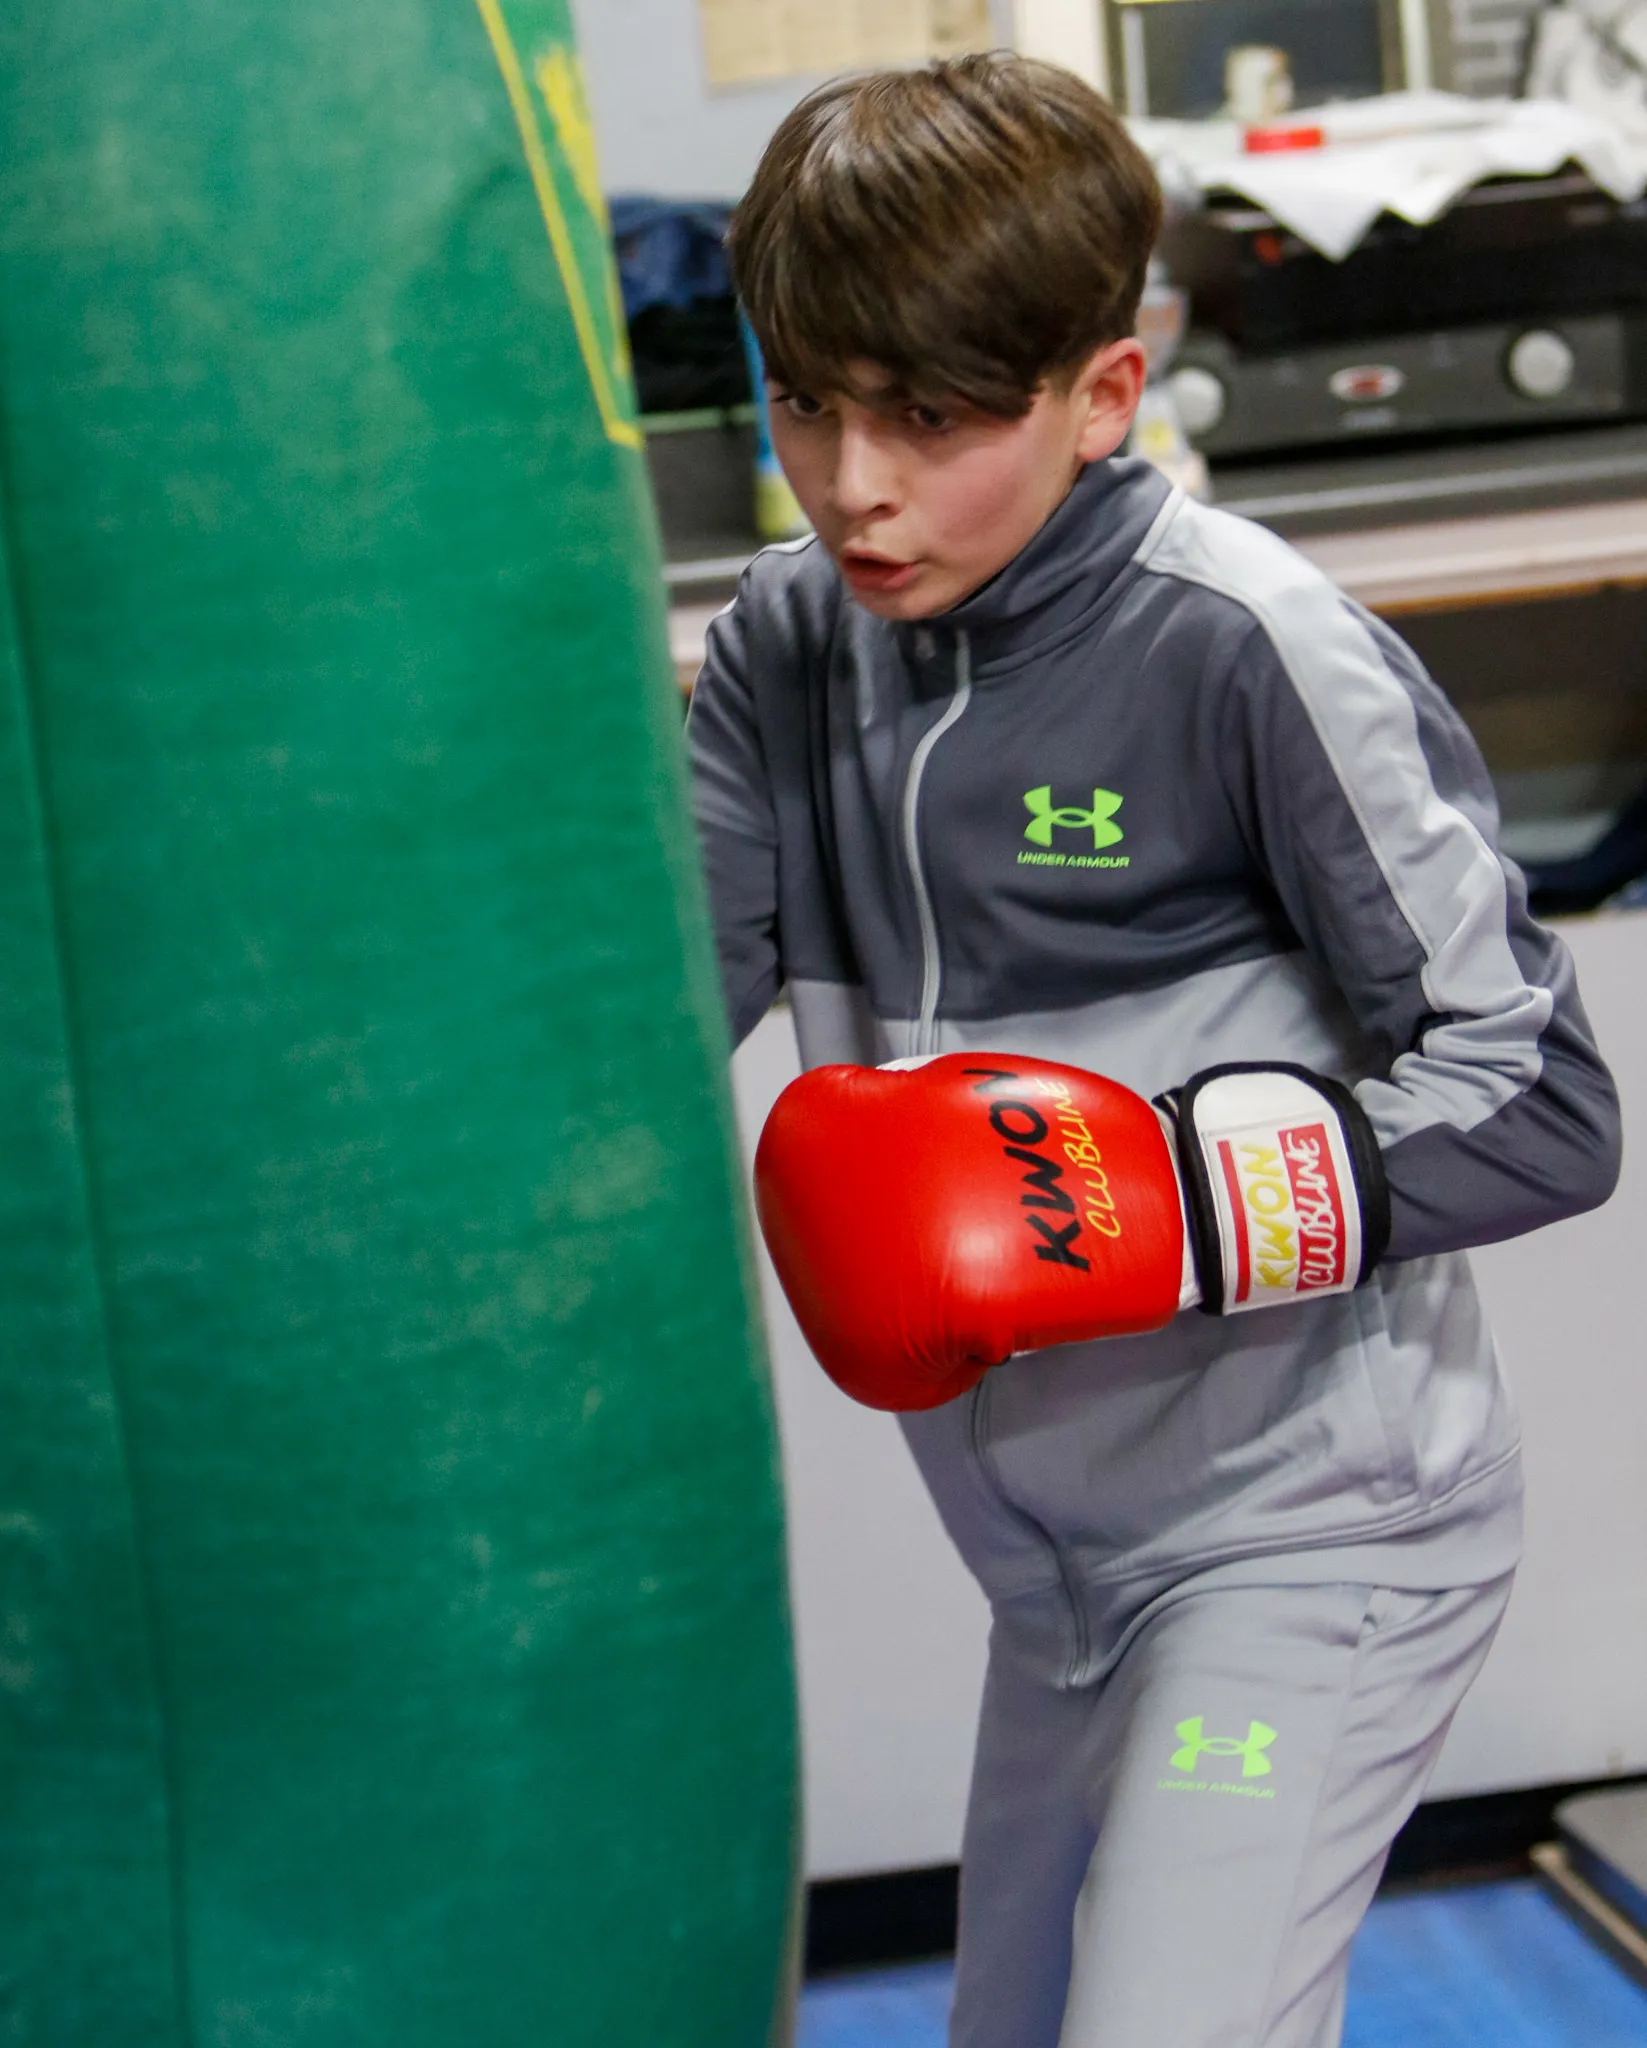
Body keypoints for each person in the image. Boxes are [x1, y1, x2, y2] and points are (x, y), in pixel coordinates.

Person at [686, 52, 1621, 2048]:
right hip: (1059, 1576)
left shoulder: (1245, 647)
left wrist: (1155, 1199)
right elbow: (660, 999)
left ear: (1104, 395)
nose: (852, 482)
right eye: (806, 403)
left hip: (1313, 1536)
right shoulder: (784, 640)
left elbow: (1540, 1098)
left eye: (931, 421)